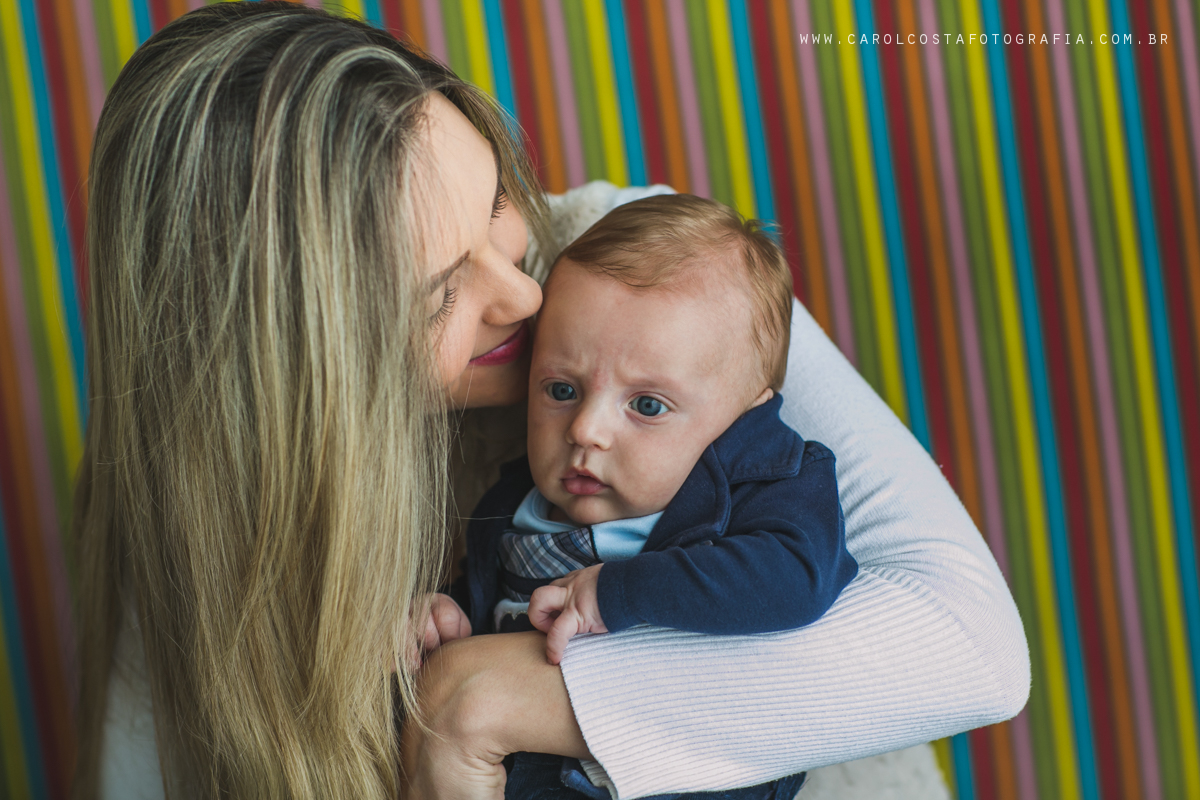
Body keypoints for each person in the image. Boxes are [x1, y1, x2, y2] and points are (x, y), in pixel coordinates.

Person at [76, 4, 1030, 800]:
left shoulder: (638, 275)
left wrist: (493, 695)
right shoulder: (197, 515)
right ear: (295, 365)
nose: (526, 293)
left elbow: (974, 650)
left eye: (494, 201)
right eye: (441, 291)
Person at [438, 194, 859, 800]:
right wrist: (446, 616)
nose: (586, 430)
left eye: (648, 406)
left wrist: (615, 593)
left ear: (744, 416)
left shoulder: (764, 486)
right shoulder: (512, 500)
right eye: (561, 388)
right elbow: (489, 609)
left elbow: (798, 577)